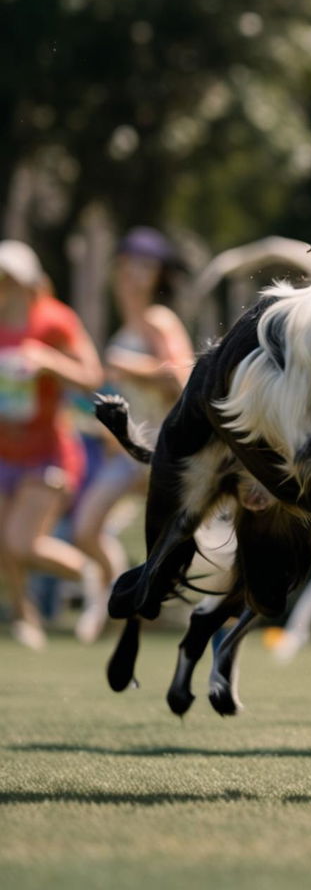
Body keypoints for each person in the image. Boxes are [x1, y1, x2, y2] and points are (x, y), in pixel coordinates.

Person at [72, 227, 192, 643]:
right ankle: (114, 595)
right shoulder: (127, 326)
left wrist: (126, 364)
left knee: (191, 545)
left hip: (160, 450)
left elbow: (180, 377)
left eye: (145, 266)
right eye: (127, 264)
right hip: (127, 454)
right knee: (86, 530)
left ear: (159, 275)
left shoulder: (159, 321)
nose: (133, 274)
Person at [0, 240, 104, 649]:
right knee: (4, 544)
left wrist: (48, 361)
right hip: (4, 451)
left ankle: (90, 575)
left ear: (29, 283)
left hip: (49, 452)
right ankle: (25, 616)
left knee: (21, 543)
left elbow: (92, 376)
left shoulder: (55, 321)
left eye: (9, 279)